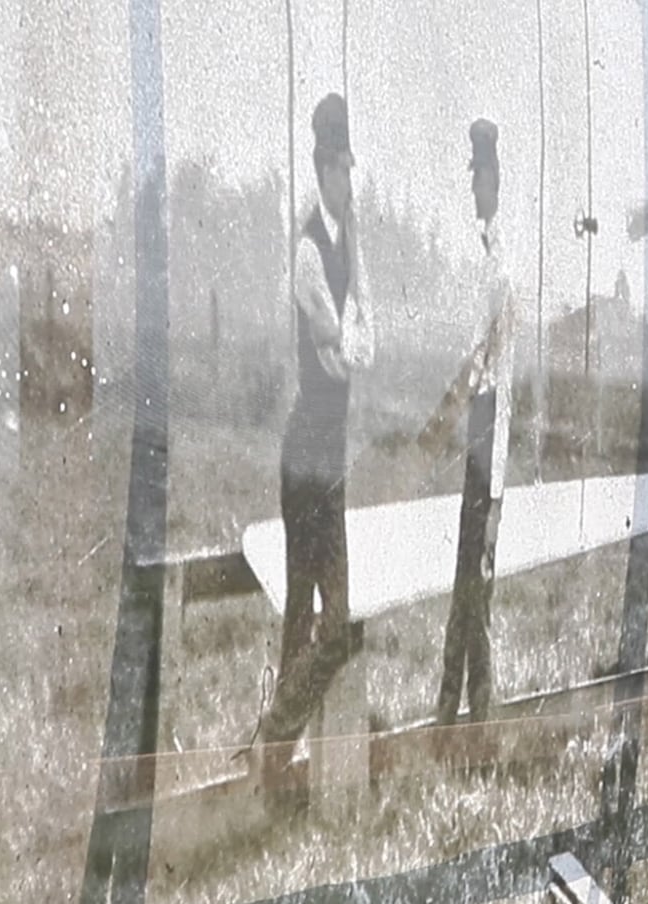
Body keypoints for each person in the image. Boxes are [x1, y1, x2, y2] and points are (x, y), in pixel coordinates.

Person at [260, 91, 374, 771]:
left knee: (324, 621)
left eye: (350, 169)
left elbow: (367, 341)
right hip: (306, 450)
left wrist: (354, 329)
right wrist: (350, 333)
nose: (346, 181)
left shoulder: (344, 243)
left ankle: (275, 743)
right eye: (338, 169)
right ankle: (277, 749)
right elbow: (338, 336)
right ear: (322, 169)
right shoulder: (307, 253)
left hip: (327, 452)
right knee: (313, 617)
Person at [420, 116, 516, 725]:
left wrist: (441, 420)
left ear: (495, 183)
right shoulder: (482, 253)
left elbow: (484, 356)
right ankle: (452, 705)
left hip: (489, 420)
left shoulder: (500, 260)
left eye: (482, 178)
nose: (476, 189)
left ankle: (470, 709)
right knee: (467, 571)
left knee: (475, 572)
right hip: (479, 421)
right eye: (472, 178)